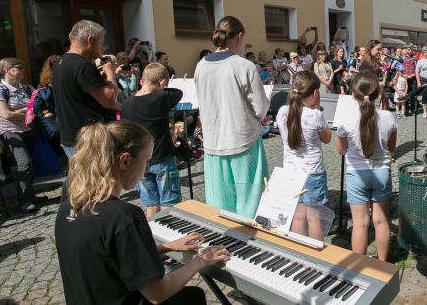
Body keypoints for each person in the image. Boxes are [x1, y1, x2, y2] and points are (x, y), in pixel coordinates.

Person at [55, 121, 229, 305]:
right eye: (146, 161)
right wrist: (200, 261)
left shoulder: (69, 205)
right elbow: (158, 294)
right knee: (193, 297)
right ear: (124, 161)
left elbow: (112, 257)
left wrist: (167, 247)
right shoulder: (123, 217)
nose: (147, 169)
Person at [194, 16, 270, 217]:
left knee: (219, 204)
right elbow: (261, 110)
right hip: (243, 141)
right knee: (250, 202)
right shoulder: (244, 66)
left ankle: (223, 243)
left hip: (213, 143)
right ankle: (250, 243)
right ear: (239, 36)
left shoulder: (201, 65)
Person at [336, 72, 397, 261]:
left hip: (356, 174)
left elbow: (341, 150)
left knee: (360, 223)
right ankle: (382, 264)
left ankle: (359, 268)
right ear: (378, 93)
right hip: (381, 172)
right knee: (380, 220)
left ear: (353, 94)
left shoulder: (346, 118)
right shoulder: (388, 116)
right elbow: (391, 148)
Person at [122, 63, 184, 217]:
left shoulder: (126, 104)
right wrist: (161, 87)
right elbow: (178, 92)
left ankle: (152, 236)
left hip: (140, 160)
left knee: (151, 202)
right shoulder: (159, 99)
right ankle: (168, 234)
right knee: (168, 202)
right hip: (162, 157)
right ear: (161, 82)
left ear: (142, 80)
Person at [277, 72, 331, 240]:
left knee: (298, 215)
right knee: (314, 217)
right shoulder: (315, 115)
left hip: (291, 171)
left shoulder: (282, 112)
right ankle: (315, 255)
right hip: (313, 173)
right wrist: (316, 107)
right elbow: (327, 139)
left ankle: (299, 252)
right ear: (315, 93)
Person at [54, 20, 119, 159]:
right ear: (90, 40)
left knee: (82, 180)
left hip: (73, 137)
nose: (102, 48)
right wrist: (111, 73)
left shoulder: (62, 62)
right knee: (97, 180)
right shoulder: (81, 66)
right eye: (101, 43)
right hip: (89, 141)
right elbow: (109, 101)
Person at [0, 58, 45, 214]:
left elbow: (38, 107)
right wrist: (26, 111)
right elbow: (6, 115)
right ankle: (24, 199)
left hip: (29, 130)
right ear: (7, 70)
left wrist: (21, 112)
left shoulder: (27, 88)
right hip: (10, 131)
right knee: (24, 162)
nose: (23, 70)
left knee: (30, 164)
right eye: (19, 67)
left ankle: (30, 193)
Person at [401, 45, 418, 116]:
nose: (410, 51)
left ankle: (413, 109)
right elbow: (400, 68)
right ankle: (406, 109)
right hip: (405, 78)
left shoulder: (415, 57)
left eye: (411, 49)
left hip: (413, 78)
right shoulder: (403, 57)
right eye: (408, 49)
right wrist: (405, 76)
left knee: (413, 94)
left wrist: (413, 75)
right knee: (406, 94)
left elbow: (417, 68)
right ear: (406, 50)